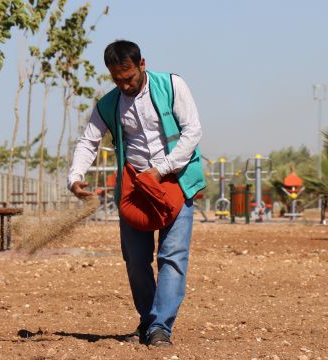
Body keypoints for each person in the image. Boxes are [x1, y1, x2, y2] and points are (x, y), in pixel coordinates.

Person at [68, 40, 205, 347]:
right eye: (117, 79)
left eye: (128, 76)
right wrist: (75, 177)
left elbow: (192, 130)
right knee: (135, 259)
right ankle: (148, 319)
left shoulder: (172, 85)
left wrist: (163, 168)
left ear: (142, 64)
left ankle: (160, 328)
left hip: (176, 180)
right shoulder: (108, 104)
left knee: (172, 257)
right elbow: (89, 142)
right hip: (135, 188)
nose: (124, 84)